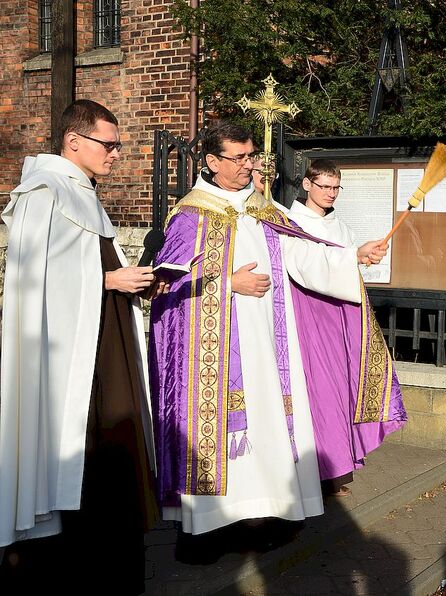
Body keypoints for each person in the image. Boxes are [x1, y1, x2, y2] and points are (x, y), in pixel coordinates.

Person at [150, 122, 400, 560]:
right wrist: (228, 283)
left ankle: (264, 519)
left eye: (251, 157)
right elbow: (166, 285)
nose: (249, 166)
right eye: (239, 158)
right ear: (211, 162)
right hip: (215, 357)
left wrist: (352, 256)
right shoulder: (190, 216)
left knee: (270, 432)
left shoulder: (265, 210)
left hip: (271, 346)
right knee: (221, 440)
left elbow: (302, 255)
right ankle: (205, 531)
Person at [0, 100, 162, 593]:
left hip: (103, 344)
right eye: (108, 144)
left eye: (117, 145)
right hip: (65, 356)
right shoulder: (43, 193)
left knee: (111, 451)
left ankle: (107, 562)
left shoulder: (83, 193)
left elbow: (87, 269)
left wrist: (130, 282)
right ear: (74, 141)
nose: (116, 153)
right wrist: (109, 279)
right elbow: (29, 281)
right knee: (80, 451)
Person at [285, 158, 406, 497]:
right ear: (307, 184)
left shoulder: (340, 225)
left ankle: (341, 464)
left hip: (343, 317)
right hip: (312, 317)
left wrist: (364, 257)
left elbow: (348, 264)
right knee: (319, 391)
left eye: (336, 187)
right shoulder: (291, 222)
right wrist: (353, 255)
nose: (331, 193)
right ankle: (321, 471)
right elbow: (305, 264)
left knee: (344, 388)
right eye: (324, 186)